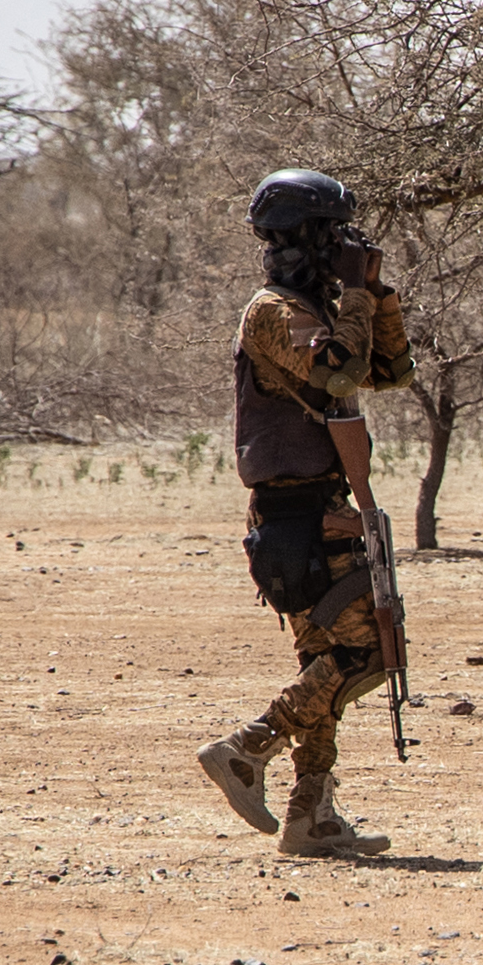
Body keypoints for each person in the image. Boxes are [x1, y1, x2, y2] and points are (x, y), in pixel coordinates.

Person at [196, 169, 415, 858]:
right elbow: (341, 374)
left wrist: (375, 296)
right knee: (363, 654)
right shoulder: (274, 311)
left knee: (326, 661)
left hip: (321, 507)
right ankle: (245, 747)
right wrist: (351, 293)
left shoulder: (316, 306)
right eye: (334, 235)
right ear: (306, 237)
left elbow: (390, 370)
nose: (343, 245)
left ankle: (310, 817)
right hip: (297, 517)